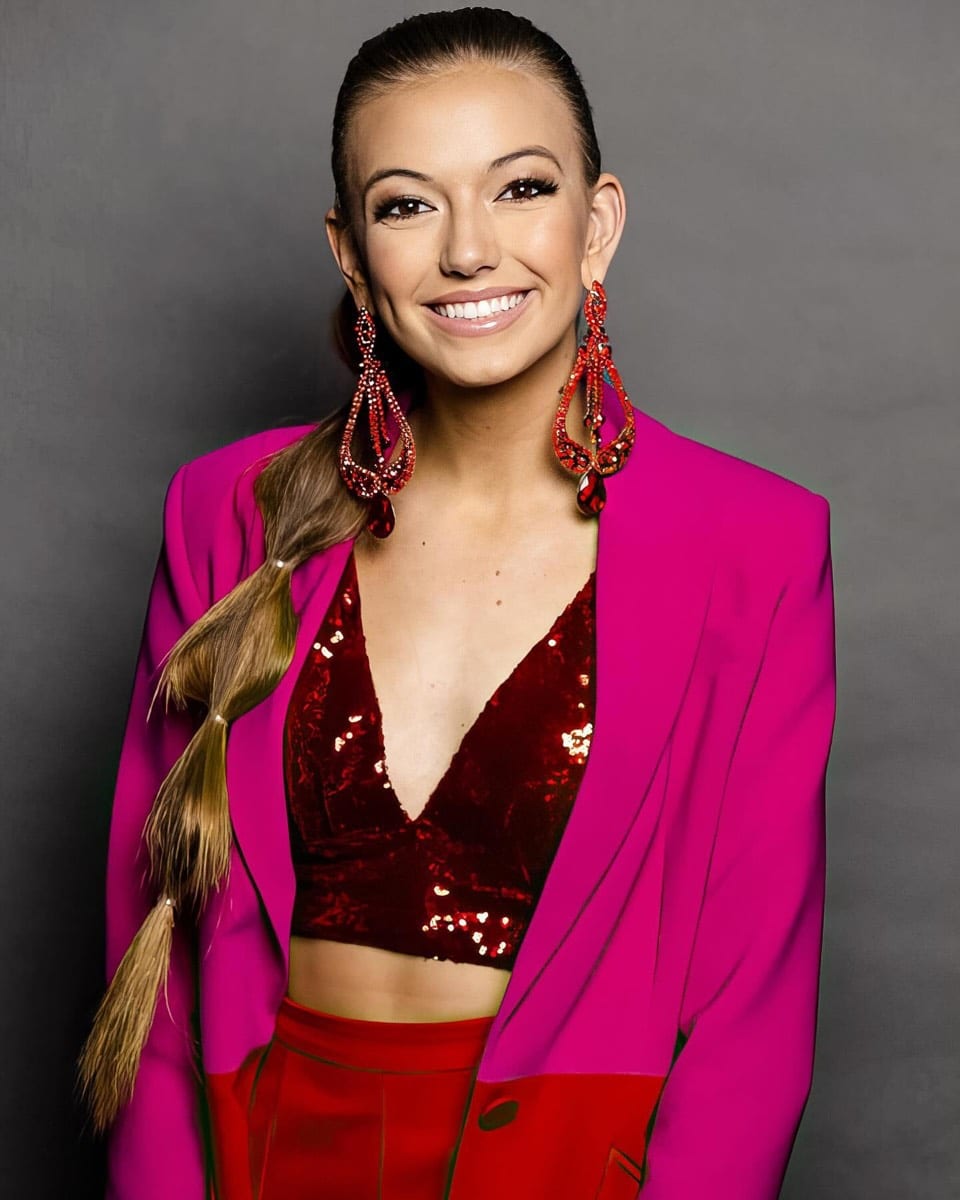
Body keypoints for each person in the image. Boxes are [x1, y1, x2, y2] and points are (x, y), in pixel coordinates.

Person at [77, 8, 837, 1200]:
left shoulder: (754, 546)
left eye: (520, 188)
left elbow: (753, 1013)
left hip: (572, 1165)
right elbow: (152, 943)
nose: (470, 251)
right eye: (407, 205)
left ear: (598, 225)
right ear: (350, 252)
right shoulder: (228, 512)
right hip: (269, 1150)